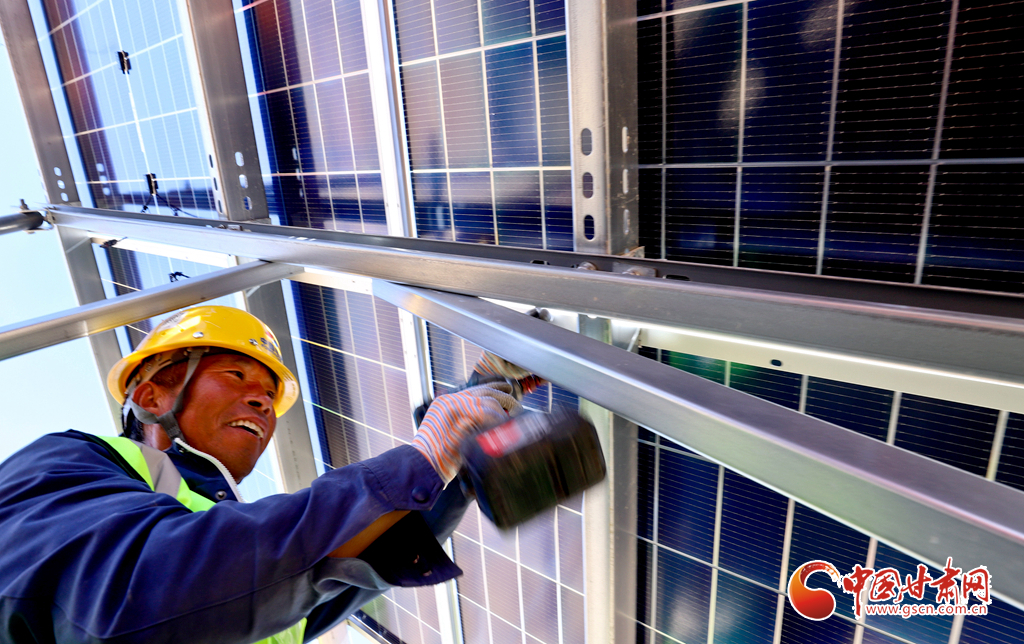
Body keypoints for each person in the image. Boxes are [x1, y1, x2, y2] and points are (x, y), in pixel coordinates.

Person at [0, 305, 531, 643]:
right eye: (236, 374)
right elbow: (137, 595)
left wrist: (461, 461)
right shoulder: (65, 465)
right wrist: (423, 458)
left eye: (271, 396)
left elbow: (353, 560)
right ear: (151, 395)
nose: (262, 402)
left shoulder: (255, 568)